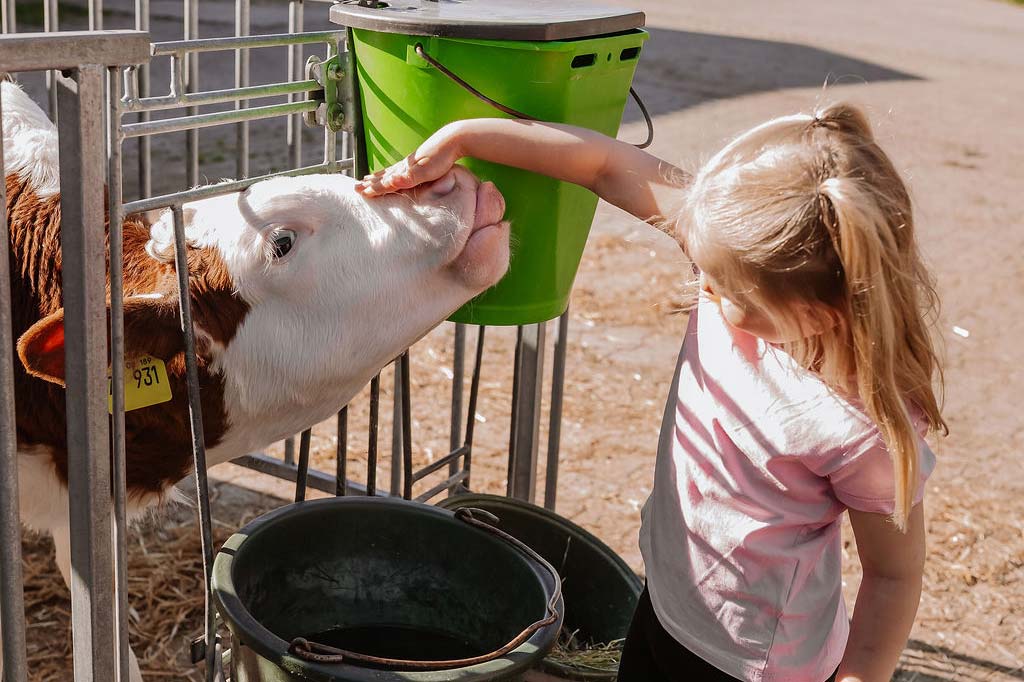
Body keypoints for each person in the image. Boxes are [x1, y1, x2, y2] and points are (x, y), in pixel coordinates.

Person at [356, 103, 945, 682]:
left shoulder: (863, 425)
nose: (702, 283)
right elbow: (605, 165)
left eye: (722, 285)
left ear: (815, 314)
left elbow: (893, 576)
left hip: (754, 663)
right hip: (666, 599)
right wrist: (464, 138)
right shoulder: (739, 258)